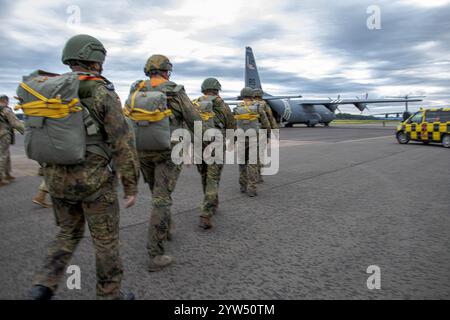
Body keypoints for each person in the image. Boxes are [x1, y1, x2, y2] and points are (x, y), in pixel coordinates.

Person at [20, 34, 140, 300]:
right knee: (105, 239)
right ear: (95, 60)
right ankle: (110, 295)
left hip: (56, 178)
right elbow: (122, 140)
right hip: (93, 181)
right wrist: (130, 184)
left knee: (68, 232)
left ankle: (42, 285)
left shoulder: (51, 89)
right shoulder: (100, 90)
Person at [125, 54, 202, 272]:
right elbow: (194, 119)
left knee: (156, 192)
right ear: (167, 71)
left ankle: (166, 227)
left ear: (147, 71)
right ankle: (155, 253)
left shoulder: (136, 89)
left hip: (142, 150)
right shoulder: (175, 90)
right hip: (170, 150)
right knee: (162, 198)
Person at [192, 78, 235, 229]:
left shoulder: (194, 102)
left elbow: (187, 122)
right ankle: (206, 212)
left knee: (204, 175)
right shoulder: (221, 103)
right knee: (213, 177)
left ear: (203, 89)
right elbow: (231, 124)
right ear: (217, 89)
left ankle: (212, 202)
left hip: (198, 143)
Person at [234, 87, 270, 197]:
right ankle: (252, 188)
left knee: (242, 163)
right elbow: (265, 122)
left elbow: (233, 124)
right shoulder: (257, 107)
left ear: (242, 95)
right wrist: (267, 134)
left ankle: (242, 186)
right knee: (253, 163)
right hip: (254, 138)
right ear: (252, 95)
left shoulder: (236, 108)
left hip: (241, 138)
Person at [252, 88, 278, 183]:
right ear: (261, 95)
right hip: (261, 132)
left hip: (247, 132)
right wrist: (274, 131)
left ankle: (248, 176)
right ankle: (258, 175)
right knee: (260, 154)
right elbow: (270, 118)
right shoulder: (263, 104)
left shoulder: (248, 104)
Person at [0, 94, 24, 186]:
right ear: (5, 101)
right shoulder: (6, 110)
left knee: (6, 154)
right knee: (3, 155)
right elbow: (15, 123)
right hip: (3, 134)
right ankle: (1, 178)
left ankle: (7, 173)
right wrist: (24, 131)